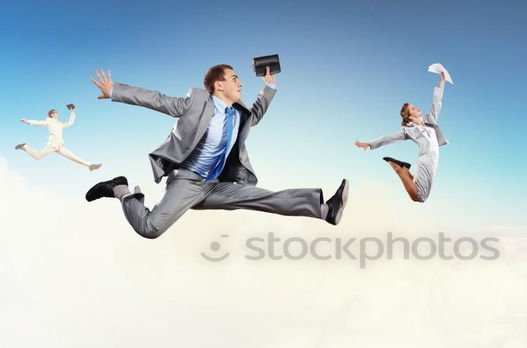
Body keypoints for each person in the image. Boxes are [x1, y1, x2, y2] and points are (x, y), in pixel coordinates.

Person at [86, 65, 348, 239]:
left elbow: (255, 115)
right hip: (186, 181)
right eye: (234, 78)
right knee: (150, 228)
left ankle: (325, 209)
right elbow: (157, 99)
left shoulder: (238, 114)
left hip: (214, 185)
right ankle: (119, 189)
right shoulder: (196, 102)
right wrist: (115, 91)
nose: (240, 83)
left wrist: (269, 88)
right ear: (218, 85)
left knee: (263, 198)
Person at [355, 71, 447, 202]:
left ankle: (403, 169)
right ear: (410, 116)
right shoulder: (408, 130)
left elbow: (436, 103)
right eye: (413, 108)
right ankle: (400, 170)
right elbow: (388, 138)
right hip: (426, 159)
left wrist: (442, 82)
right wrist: (369, 144)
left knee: (422, 195)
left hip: (434, 159)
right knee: (419, 197)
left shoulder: (429, 120)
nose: (417, 108)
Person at [15, 104, 102, 171]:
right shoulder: (48, 121)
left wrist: (72, 112)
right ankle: (25, 146)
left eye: (57, 112)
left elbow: (70, 123)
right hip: (52, 145)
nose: (57, 113)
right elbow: (39, 122)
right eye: (56, 112)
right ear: (52, 115)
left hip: (59, 146)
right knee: (37, 157)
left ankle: (90, 165)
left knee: (73, 157)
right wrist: (27, 121)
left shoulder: (59, 124)